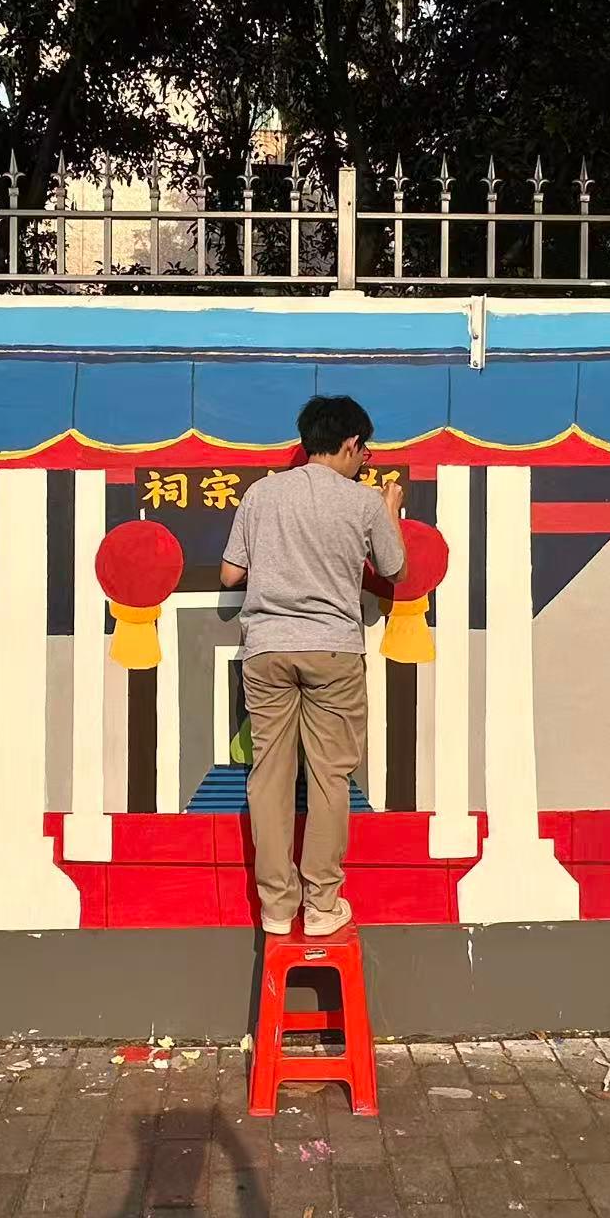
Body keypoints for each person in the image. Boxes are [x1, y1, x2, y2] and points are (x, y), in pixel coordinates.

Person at [220, 394, 407, 936]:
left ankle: (277, 907)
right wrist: (389, 510)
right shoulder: (363, 502)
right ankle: (322, 904)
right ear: (351, 443)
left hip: (266, 649)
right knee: (329, 776)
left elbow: (231, 575)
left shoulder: (261, 494)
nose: (365, 461)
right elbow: (394, 568)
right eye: (365, 452)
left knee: (269, 775)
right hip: (333, 650)